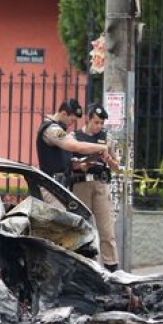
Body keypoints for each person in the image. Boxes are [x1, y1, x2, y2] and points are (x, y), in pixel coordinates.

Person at [70, 103, 120, 272]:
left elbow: (116, 166)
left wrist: (108, 160)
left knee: (107, 229)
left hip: (100, 184)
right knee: (82, 227)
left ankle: (112, 267)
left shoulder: (107, 138)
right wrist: (81, 165)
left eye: (101, 123)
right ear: (88, 119)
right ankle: (85, 267)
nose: (99, 126)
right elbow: (69, 163)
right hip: (81, 184)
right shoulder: (74, 137)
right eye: (96, 122)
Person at [35, 98, 110, 189]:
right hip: (51, 188)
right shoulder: (52, 129)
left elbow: (63, 164)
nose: (72, 124)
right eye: (72, 120)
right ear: (64, 114)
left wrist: (85, 162)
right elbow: (77, 146)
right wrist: (102, 147)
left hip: (58, 187)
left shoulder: (59, 130)